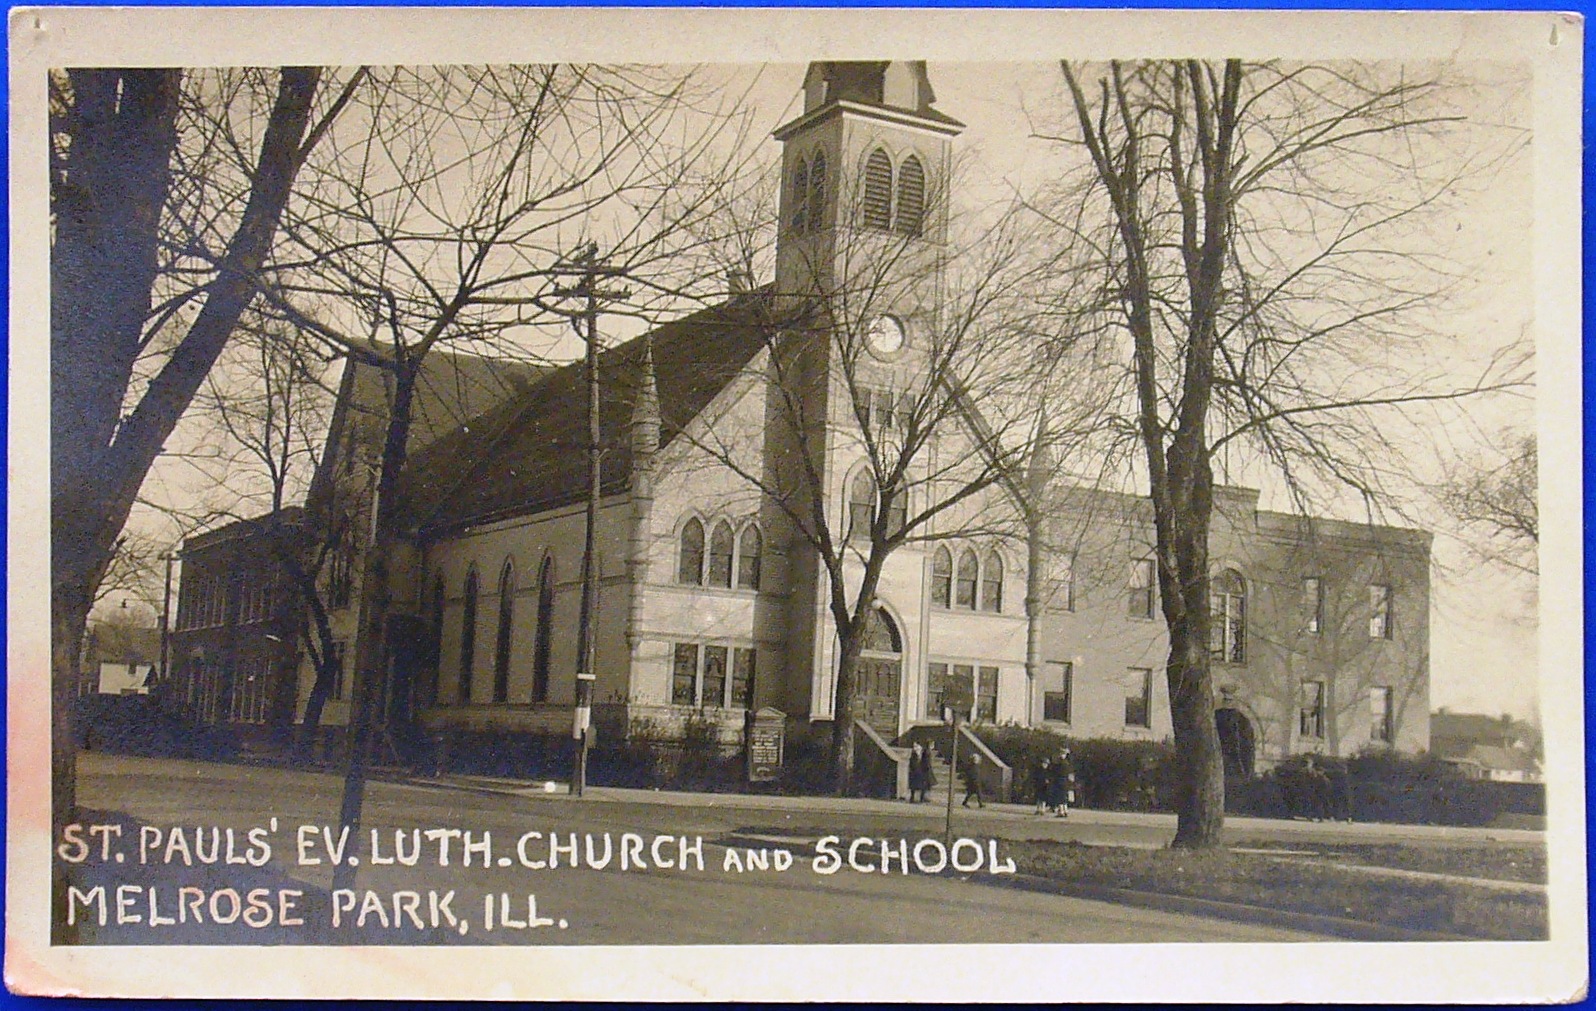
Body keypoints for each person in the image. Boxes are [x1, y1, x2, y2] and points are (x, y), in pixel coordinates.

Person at [1054, 748, 1076, 818]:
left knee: (1060, 797)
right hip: (1066, 782)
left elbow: (1057, 773)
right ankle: (1065, 811)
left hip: (1061, 781)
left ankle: (1061, 811)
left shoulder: (1061, 763)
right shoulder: (1069, 763)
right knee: (1064, 797)